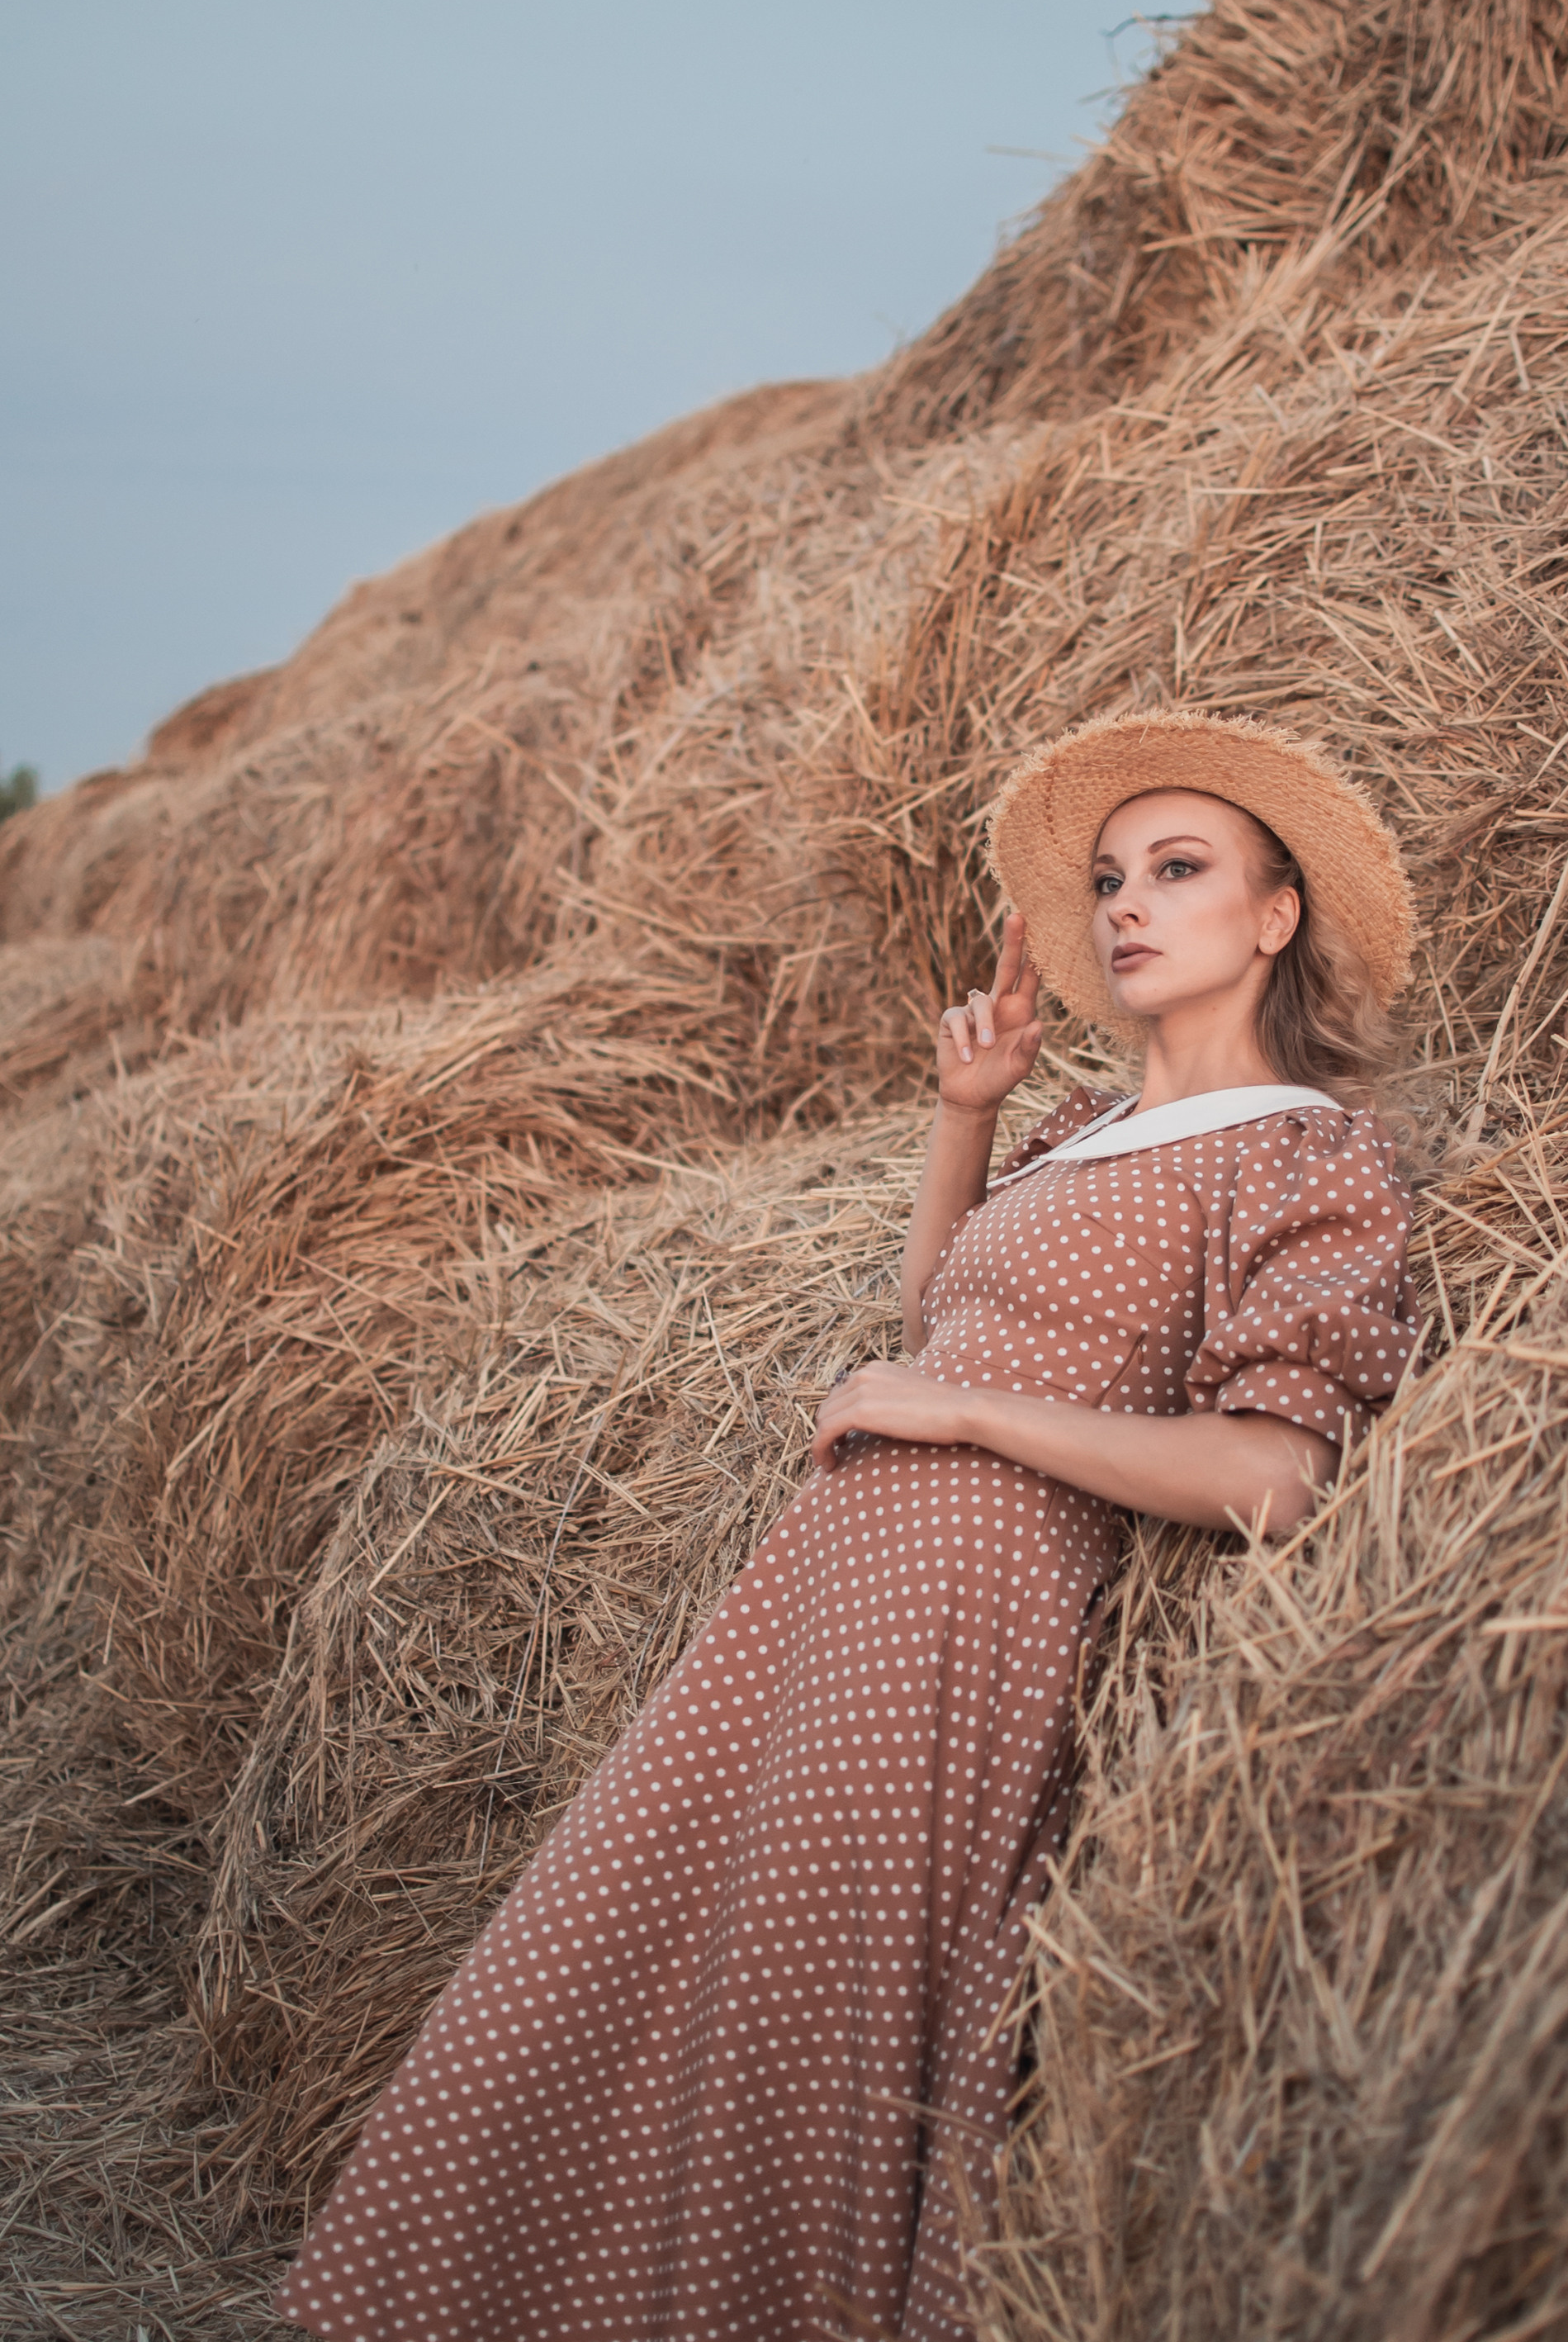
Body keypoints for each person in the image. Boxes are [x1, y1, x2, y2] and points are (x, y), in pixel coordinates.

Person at [277, 707, 1421, 2342]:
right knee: (615, 1951)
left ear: (1275, 912)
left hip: (978, 1606)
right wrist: (968, 1112)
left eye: (1180, 868)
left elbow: (1272, 1468)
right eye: (1109, 876)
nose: (1126, 904)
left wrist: (965, 1417)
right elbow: (942, 1314)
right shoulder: (1081, 1132)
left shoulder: (1310, 1152)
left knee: (806, 2016)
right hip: (823, 1580)